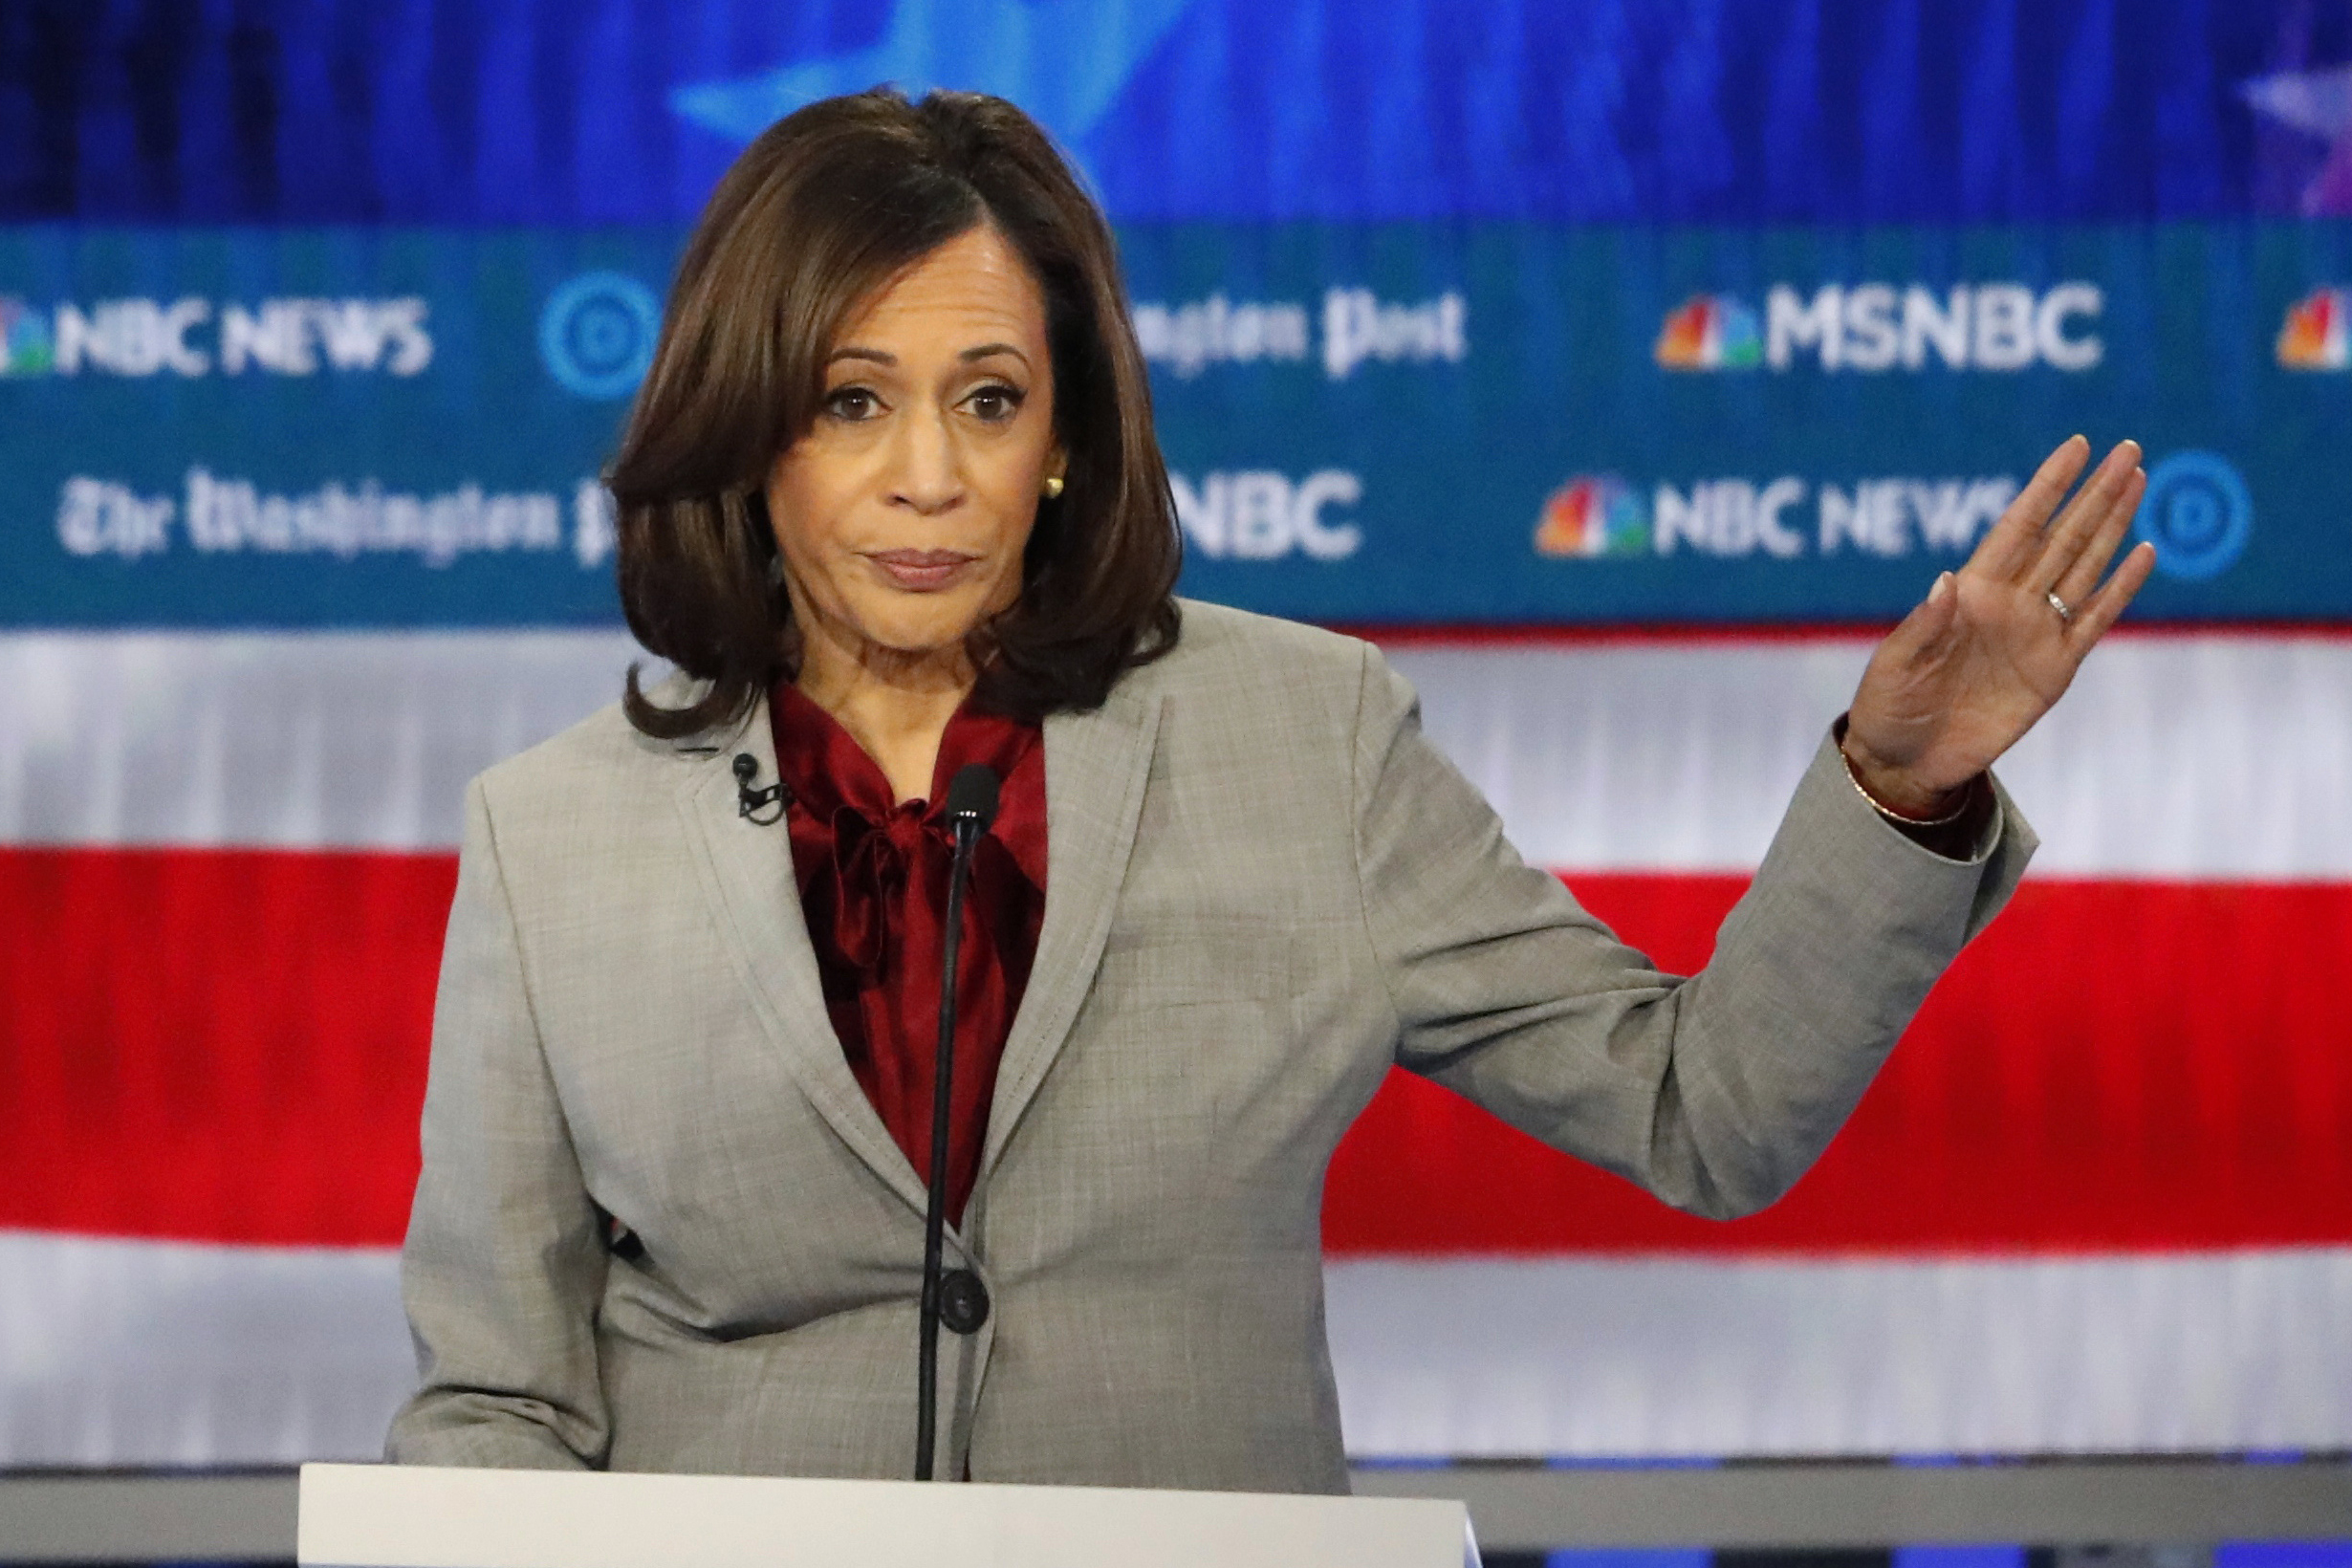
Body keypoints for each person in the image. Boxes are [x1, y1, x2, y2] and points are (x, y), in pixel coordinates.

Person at [386, 88, 2154, 1492]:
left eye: (987, 400)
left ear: (1065, 435)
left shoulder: (1303, 736)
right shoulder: (553, 840)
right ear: (750, 419)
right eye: (852, 403)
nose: (925, 478)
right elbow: (496, 1406)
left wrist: (1897, 787)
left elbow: (1704, 1111)